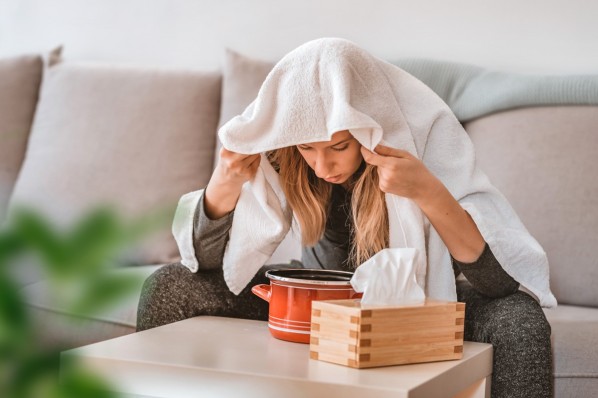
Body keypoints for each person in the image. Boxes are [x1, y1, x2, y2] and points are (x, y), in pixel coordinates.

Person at [137, 39, 553, 398]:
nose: (322, 167)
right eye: (308, 149)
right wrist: (223, 187)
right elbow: (207, 265)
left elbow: (497, 283)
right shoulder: (287, 161)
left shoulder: (411, 145)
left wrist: (427, 190)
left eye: (338, 146)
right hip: (321, 301)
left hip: (416, 302)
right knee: (170, 286)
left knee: (518, 320)